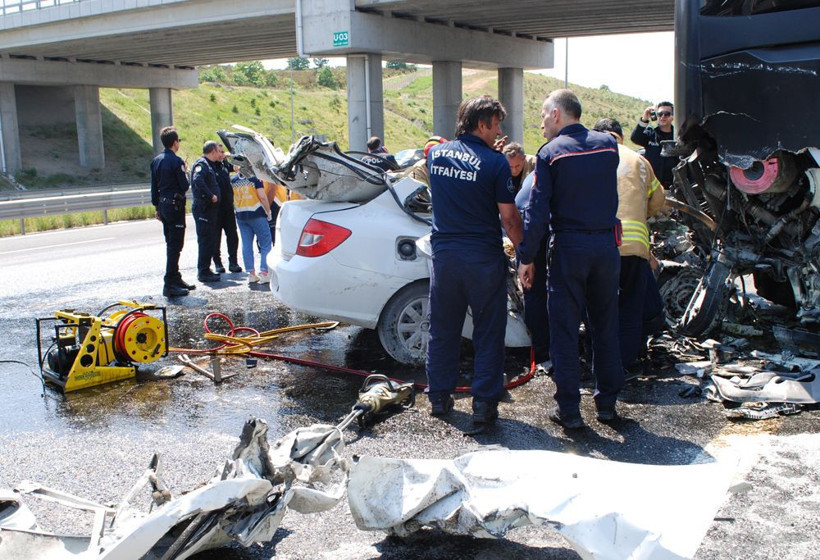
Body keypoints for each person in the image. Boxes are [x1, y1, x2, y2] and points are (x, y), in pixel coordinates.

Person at [517, 89, 622, 430]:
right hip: (607, 249)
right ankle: (607, 405)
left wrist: (527, 256)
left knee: (563, 329)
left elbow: (536, 211)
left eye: (545, 115)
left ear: (558, 114)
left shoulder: (551, 154)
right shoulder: (609, 145)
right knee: (605, 326)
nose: (542, 122)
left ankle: (570, 411)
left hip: (569, 250)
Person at [425, 96, 523, 426]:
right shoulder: (495, 163)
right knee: (488, 332)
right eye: (496, 125)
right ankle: (483, 404)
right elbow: (509, 218)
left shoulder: (435, 154)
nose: (499, 132)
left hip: (446, 259)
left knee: (443, 329)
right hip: (482, 258)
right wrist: (524, 252)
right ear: (481, 124)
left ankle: (439, 398)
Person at [593, 117, 666, 369]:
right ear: (620, 135)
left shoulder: (589, 154)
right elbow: (659, 199)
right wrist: (639, 211)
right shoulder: (639, 160)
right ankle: (624, 363)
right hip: (634, 246)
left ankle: (600, 364)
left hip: (599, 246)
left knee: (599, 308)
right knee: (630, 308)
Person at [150, 126, 192, 298]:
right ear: (175, 142)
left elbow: (153, 187)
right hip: (175, 206)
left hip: (163, 205)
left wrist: (156, 207)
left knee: (171, 243)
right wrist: (186, 173)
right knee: (175, 245)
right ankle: (169, 283)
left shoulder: (156, 160)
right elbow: (184, 185)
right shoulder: (177, 161)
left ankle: (175, 277)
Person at [515, 172, 550, 368]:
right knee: (536, 289)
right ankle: (545, 352)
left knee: (533, 289)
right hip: (536, 221)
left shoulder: (536, 171)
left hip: (527, 220)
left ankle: (542, 350)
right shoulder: (557, 167)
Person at [230, 161, 274, 285]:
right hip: (256, 213)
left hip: (241, 215)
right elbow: (262, 197)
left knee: (246, 244)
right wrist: (268, 211)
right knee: (265, 243)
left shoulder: (233, 181)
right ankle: (265, 273)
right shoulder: (255, 179)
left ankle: (251, 274)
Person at [190, 141, 223, 283]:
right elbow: (198, 180)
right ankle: (203, 272)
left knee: (210, 240)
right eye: (218, 151)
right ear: (213, 151)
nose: (219, 154)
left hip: (209, 210)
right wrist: (211, 196)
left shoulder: (208, 165)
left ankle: (206, 269)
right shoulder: (202, 165)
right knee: (205, 240)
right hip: (204, 209)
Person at [210, 144, 241, 274]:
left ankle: (233, 262)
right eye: (220, 152)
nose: (222, 154)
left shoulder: (224, 164)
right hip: (215, 208)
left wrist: (229, 155)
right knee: (216, 237)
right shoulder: (208, 166)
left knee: (232, 235)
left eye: (223, 152)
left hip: (228, 206)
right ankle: (217, 263)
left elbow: (236, 167)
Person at [631, 101, 676, 187]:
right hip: (652, 185)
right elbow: (635, 138)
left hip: (673, 186)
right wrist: (644, 119)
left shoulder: (677, 136)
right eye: (660, 114)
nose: (663, 116)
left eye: (666, 114)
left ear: (672, 116)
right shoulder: (650, 134)